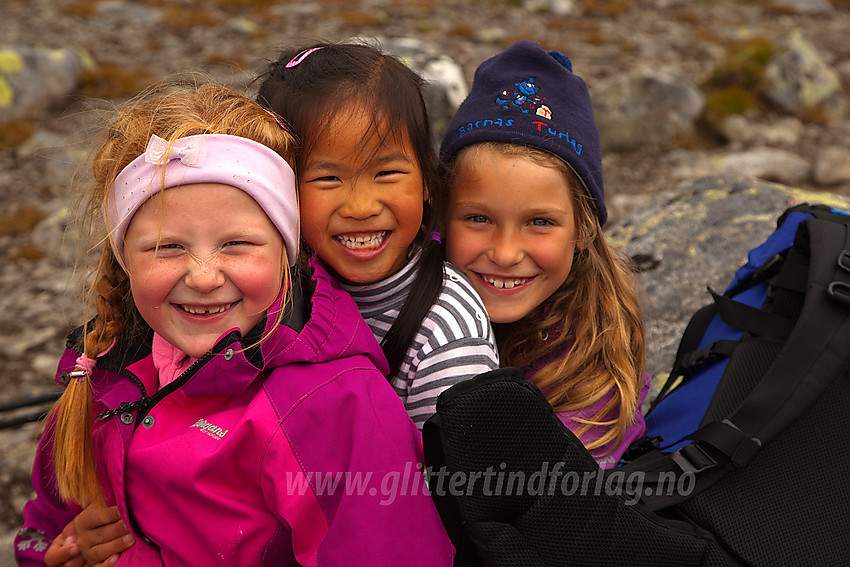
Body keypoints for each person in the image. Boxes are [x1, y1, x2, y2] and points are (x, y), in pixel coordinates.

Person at [15, 82, 453, 566]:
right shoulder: (103, 368)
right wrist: (61, 551)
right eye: (168, 247)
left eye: (237, 244)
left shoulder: (334, 408)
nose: (204, 277)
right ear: (125, 261)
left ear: (286, 251)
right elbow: (42, 527)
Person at [255, 41, 500, 429]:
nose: (361, 207)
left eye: (386, 173)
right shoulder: (266, 288)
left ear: (426, 180)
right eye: (328, 178)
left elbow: (453, 478)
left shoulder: (447, 331)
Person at [440, 40, 650, 469]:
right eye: (478, 219)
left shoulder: (593, 363)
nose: (504, 253)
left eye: (539, 222)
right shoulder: (407, 296)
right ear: (441, 217)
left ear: (584, 229)